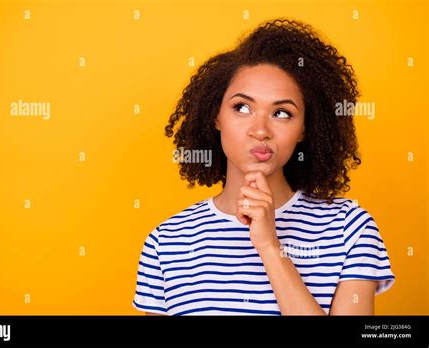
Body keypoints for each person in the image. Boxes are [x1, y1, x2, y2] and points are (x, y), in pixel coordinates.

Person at [132, 18, 395, 316]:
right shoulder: (168, 242)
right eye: (242, 107)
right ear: (216, 116)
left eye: (282, 113)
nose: (260, 130)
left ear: (305, 129)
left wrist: (270, 247)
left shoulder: (350, 228)